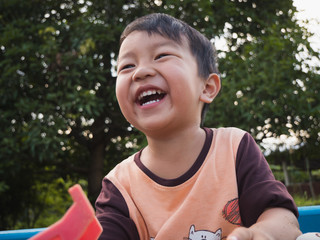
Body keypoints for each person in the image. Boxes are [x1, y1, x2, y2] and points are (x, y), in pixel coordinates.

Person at [95, 13, 301, 240]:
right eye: (126, 66)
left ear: (207, 87)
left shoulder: (234, 148)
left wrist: (261, 234)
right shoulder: (120, 185)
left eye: (161, 55)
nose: (140, 72)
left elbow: (283, 219)